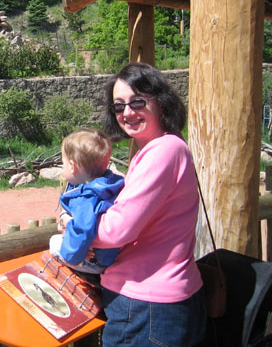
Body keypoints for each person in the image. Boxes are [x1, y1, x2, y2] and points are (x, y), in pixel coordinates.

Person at [88, 62, 206, 346]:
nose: (127, 112)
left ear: (160, 102)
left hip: (147, 304)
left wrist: (74, 228)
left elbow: (117, 229)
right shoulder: (165, 147)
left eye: (138, 102)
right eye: (119, 106)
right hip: (163, 301)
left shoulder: (163, 151)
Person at [49, 128, 124, 274]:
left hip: (97, 261)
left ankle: (80, 264)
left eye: (63, 163)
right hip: (113, 253)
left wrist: (73, 256)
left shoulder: (86, 199)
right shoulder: (111, 184)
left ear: (72, 166)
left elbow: (82, 231)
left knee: (54, 242)